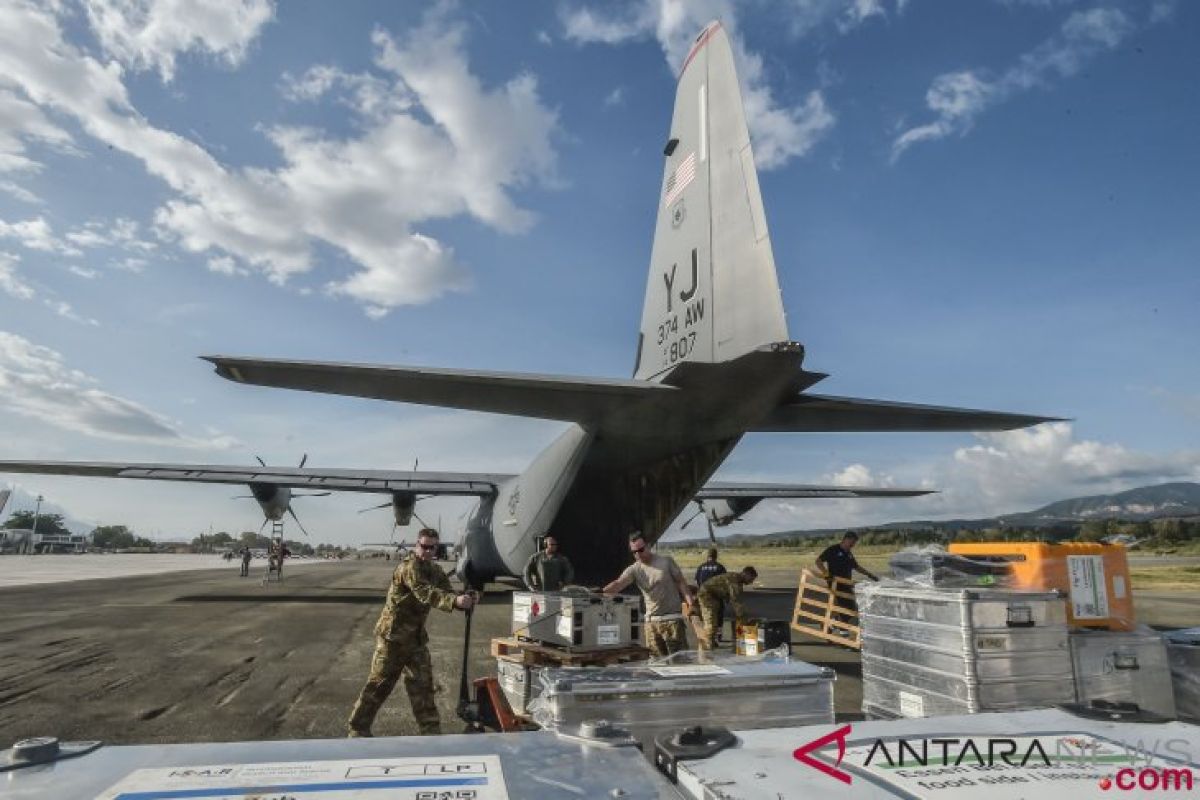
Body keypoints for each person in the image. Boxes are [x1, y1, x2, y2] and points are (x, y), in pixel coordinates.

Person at [347, 528, 476, 737]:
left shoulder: (435, 571)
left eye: (431, 547)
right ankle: (357, 730)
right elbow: (424, 592)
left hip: (415, 640)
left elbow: (447, 592)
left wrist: (466, 599)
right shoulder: (408, 568)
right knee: (378, 686)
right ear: (416, 545)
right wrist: (454, 602)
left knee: (424, 687)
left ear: (436, 548)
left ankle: (431, 733)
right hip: (392, 639)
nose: (426, 551)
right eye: (423, 546)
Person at [602, 532, 695, 657]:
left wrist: (691, 604)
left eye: (641, 550)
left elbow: (681, 583)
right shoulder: (634, 569)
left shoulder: (666, 562)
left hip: (673, 621)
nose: (638, 554)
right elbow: (618, 584)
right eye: (634, 552)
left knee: (680, 662)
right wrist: (600, 592)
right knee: (656, 664)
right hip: (651, 624)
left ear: (648, 546)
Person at [815, 532, 878, 628]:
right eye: (851, 543)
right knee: (847, 607)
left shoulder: (849, 554)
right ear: (845, 539)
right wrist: (826, 573)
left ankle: (833, 624)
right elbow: (818, 561)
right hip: (835, 583)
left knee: (851, 607)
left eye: (854, 544)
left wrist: (869, 574)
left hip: (846, 583)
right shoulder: (833, 550)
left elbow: (856, 567)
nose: (852, 545)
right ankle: (836, 626)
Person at [696, 566, 757, 651]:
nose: (751, 582)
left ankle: (710, 644)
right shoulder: (734, 580)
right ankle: (706, 648)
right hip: (706, 595)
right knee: (710, 624)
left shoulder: (737, 581)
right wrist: (743, 619)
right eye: (751, 579)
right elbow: (736, 601)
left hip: (714, 597)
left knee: (714, 624)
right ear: (746, 574)